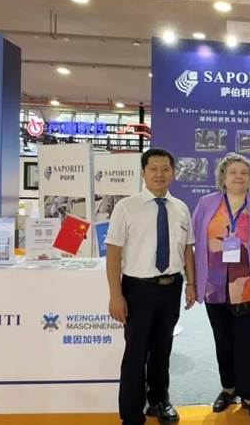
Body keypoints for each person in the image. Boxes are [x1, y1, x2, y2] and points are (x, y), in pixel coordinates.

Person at [105, 148, 197, 425]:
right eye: (153, 168)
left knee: (162, 348)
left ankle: (159, 401)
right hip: (138, 289)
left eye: (165, 169)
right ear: (143, 173)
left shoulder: (181, 208)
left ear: (173, 173)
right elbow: (113, 253)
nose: (160, 174)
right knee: (136, 352)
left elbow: (187, 249)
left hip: (171, 287)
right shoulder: (126, 207)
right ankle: (131, 415)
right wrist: (115, 295)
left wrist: (191, 282)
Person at [191, 153, 250, 422]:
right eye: (233, 172)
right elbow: (196, 235)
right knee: (223, 340)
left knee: (249, 343)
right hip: (214, 284)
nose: (239, 177)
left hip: (248, 284)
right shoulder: (206, 203)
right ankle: (228, 388)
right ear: (223, 177)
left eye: (244, 172)